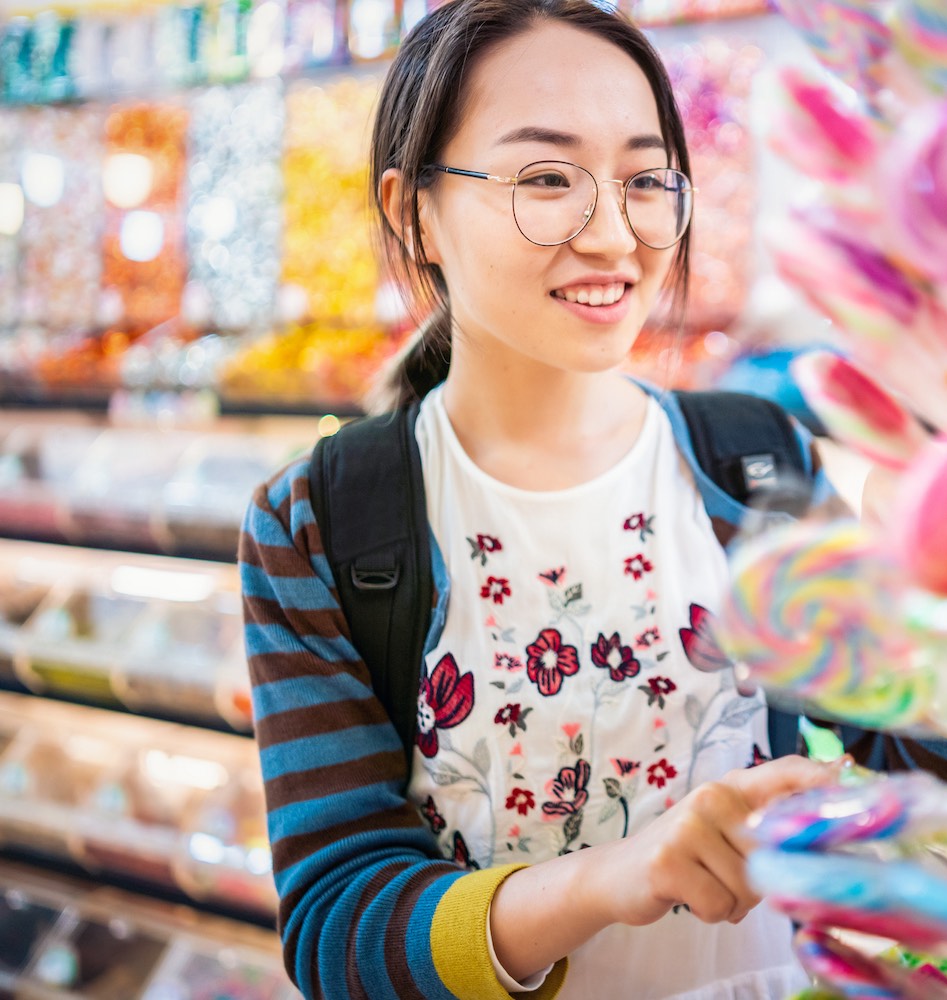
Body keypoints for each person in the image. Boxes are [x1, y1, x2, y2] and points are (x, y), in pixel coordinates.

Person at [239, 2, 851, 997]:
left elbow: (918, 746)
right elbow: (337, 928)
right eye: (547, 179)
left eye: (645, 180)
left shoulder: (760, 463)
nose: (612, 234)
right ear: (413, 212)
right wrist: (616, 875)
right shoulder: (322, 521)